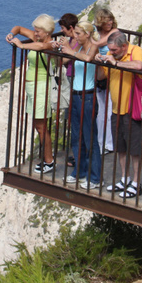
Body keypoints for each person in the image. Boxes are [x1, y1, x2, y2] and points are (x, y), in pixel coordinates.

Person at [96, 32, 142, 198]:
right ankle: (124, 178)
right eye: (110, 50)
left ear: (124, 46)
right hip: (116, 108)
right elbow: (101, 76)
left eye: (115, 49)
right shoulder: (111, 55)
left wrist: (116, 62)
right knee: (121, 147)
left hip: (133, 109)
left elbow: (139, 66)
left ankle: (136, 183)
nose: (112, 52)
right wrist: (98, 63)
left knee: (135, 149)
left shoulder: (135, 50)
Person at [54, 21, 102, 189]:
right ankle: (79, 172)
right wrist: (64, 47)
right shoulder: (79, 48)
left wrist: (71, 50)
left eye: (79, 34)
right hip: (75, 95)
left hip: (87, 96)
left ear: (87, 34)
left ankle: (95, 177)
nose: (76, 36)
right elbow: (66, 59)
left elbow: (88, 59)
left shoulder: (93, 47)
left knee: (90, 137)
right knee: (76, 136)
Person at [6, 15, 56, 173]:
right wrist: (11, 34)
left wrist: (22, 46)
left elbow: (40, 47)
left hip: (41, 87)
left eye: (38, 30)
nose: (35, 32)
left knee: (42, 127)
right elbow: (19, 28)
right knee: (38, 126)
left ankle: (49, 161)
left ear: (47, 32)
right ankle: (47, 158)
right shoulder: (36, 37)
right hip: (32, 88)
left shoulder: (50, 44)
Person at [93, 9, 120, 155]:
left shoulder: (114, 33)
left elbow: (97, 44)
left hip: (112, 74)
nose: (109, 22)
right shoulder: (99, 35)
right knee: (101, 111)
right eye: (106, 20)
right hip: (100, 74)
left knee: (109, 110)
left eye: (110, 19)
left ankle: (109, 144)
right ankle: (100, 141)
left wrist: (90, 43)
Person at [56, 13, 80, 167]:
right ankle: (76, 153)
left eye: (63, 29)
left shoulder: (76, 41)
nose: (62, 31)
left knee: (75, 117)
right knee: (72, 117)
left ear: (70, 28)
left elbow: (66, 59)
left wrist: (64, 48)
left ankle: (78, 155)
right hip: (71, 77)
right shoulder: (73, 40)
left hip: (75, 78)